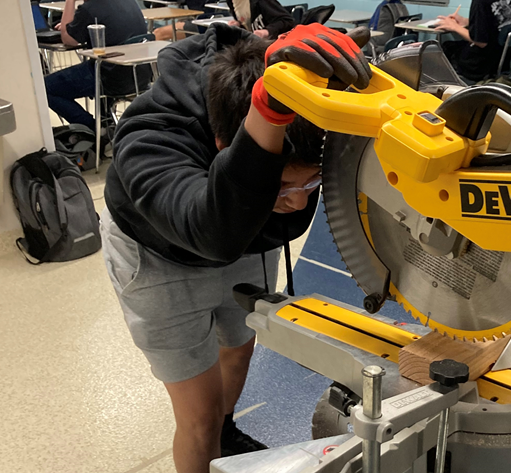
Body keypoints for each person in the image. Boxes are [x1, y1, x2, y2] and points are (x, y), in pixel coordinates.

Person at [101, 23, 371, 473]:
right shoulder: (152, 137)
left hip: (246, 234)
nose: (300, 202)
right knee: (198, 418)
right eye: (284, 186)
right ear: (226, 146)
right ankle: (211, 433)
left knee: (240, 341)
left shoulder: (283, 128)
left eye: (311, 184)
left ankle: (224, 431)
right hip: (161, 256)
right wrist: (266, 113)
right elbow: (213, 233)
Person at [45, 0, 148, 133]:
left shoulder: (90, 8)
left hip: (109, 76)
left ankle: (94, 128)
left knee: (46, 88)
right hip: (139, 74)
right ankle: (106, 124)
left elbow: (68, 39)